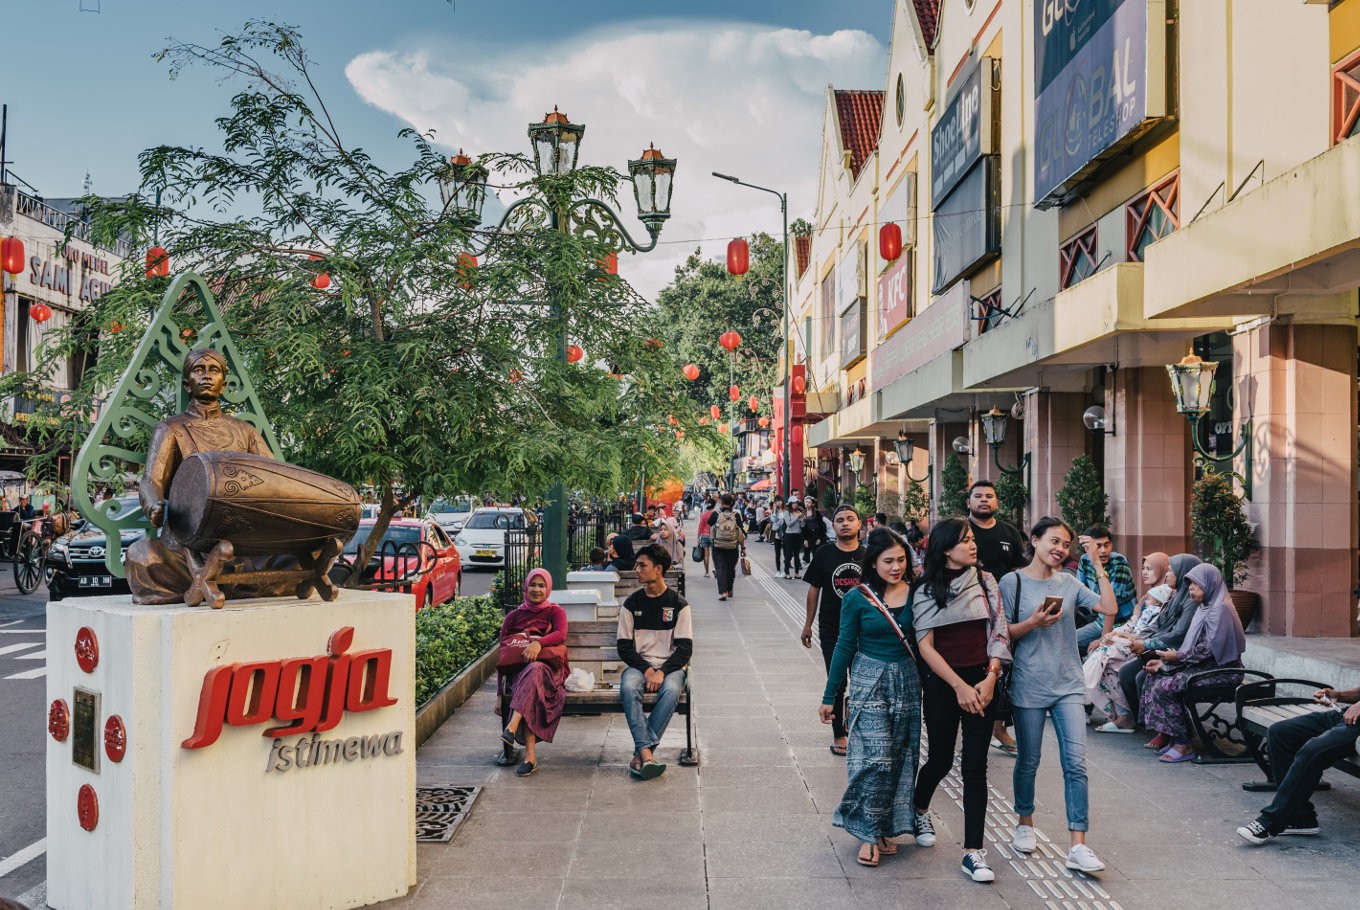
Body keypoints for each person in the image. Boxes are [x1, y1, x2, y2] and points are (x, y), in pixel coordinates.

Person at [1000, 516, 1118, 874]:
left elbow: (1109, 609)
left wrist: (1096, 563)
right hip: (1029, 684)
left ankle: (1078, 845)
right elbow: (1001, 633)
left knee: (1076, 764)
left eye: (1066, 545)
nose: (1059, 549)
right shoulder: (1011, 582)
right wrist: (1033, 623)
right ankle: (1024, 823)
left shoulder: (1069, 583)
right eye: (1053, 541)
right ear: (1034, 541)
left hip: (1068, 683)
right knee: (1029, 760)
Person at [909, 517, 1012, 883]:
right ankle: (919, 807)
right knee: (938, 759)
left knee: (975, 767)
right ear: (945, 548)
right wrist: (959, 687)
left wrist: (991, 676)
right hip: (943, 684)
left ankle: (973, 851)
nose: (973, 545)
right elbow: (925, 646)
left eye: (973, 539)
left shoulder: (986, 581)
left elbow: (999, 629)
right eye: (965, 540)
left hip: (983, 681)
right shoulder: (923, 588)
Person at [819, 528, 921, 868]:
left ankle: (880, 827)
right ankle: (866, 832)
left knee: (899, 758)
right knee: (875, 758)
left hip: (907, 680)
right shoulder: (857, 598)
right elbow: (844, 645)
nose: (895, 567)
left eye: (901, 560)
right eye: (888, 561)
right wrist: (830, 695)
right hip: (868, 679)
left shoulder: (918, 593)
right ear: (873, 563)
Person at [1138, 563, 1246, 762]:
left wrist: (1175, 658)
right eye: (1189, 584)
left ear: (1209, 584)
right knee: (1153, 678)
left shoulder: (1220, 609)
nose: (1191, 588)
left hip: (1224, 671)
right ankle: (1171, 734)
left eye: (1196, 584)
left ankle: (1183, 744)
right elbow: (1193, 648)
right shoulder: (1205, 607)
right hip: (1204, 667)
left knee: (1167, 686)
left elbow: (1208, 649)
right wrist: (1165, 663)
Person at [1236, 683, 1360, 845]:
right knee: (1279, 732)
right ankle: (1300, 818)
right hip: (1347, 717)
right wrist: (1340, 695)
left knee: (1313, 750)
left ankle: (1271, 821)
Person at [617, 544, 693, 780]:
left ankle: (641, 752)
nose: (636, 569)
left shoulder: (679, 604)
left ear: (658, 569)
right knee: (629, 687)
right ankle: (647, 754)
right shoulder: (631, 603)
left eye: (642, 565)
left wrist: (662, 672)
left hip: (670, 667)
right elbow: (624, 647)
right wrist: (648, 670)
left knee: (671, 690)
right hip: (639, 666)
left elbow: (685, 649)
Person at [966, 480, 1028, 756]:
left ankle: (998, 726)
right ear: (968, 502)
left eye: (989, 496)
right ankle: (974, 723)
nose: (983, 500)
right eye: (977, 496)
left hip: (1004, 610)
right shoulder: (960, 530)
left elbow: (1020, 570)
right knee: (974, 665)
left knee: (1002, 667)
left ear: (997, 502)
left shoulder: (1009, 533)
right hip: (967, 610)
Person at [800, 505, 865, 757]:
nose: (845, 523)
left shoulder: (869, 556)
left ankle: (859, 730)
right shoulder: (824, 553)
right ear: (833, 526)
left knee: (862, 683)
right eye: (840, 520)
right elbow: (814, 589)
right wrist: (807, 623)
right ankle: (840, 735)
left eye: (851, 519)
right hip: (831, 629)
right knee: (836, 682)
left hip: (863, 630)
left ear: (860, 524)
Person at [1085, 552, 1171, 732]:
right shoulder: (1147, 597)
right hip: (1137, 643)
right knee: (1104, 649)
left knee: (1106, 655)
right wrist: (1113, 633)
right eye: (1143, 569)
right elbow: (1133, 623)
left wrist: (1122, 637)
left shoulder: (1168, 597)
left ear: (1162, 569)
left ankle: (1085, 686)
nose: (1144, 573)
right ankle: (1122, 715)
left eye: (1150, 569)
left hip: (1150, 648)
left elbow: (1154, 630)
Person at [498, 568, 569, 777]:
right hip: (520, 674)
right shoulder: (513, 617)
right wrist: (497, 696)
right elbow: (502, 658)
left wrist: (538, 643)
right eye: (533, 584)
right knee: (530, 680)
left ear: (548, 589)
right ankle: (529, 757)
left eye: (541, 585)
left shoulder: (555, 612)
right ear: (526, 587)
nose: (536, 589)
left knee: (535, 669)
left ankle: (512, 726)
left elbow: (560, 633)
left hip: (550, 672)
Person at [1116, 553, 1202, 726]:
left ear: (1185, 573)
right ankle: (1145, 724)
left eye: (1172, 571)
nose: (1168, 575)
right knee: (1126, 673)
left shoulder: (1191, 601)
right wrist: (1137, 638)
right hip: (1162, 651)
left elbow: (1179, 634)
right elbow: (1158, 624)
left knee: (1142, 677)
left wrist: (1145, 643)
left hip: (1178, 654)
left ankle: (1163, 729)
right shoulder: (1176, 596)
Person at [1075, 526, 1137, 655]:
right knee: (1065, 642)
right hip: (1100, 621)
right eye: (1098, 546)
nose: (1103, 551)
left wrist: (1102, 639)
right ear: (1087, 548)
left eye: (1106, 545)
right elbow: (1079, 593)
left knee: (1095, 654)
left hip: (1122, 625)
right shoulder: (1085, 560)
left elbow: (1111, 606)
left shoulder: (1119, 562)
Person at [707, 493, 746, 601]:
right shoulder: (736, 515)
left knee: (720, 569)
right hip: (733, 546)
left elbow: (709, 525)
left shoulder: (716, 514)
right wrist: (743, 548)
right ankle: (729, 589)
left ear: (721, 502)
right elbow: (740, 533)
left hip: (718, 546)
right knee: (730, 569)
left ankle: (723, 592)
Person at [781, 501, 806, 579]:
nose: (795, 504)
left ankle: (797, 573)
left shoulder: (799, 512)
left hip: (798, 535)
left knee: (797, 555)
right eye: (793, 503)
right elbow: (789, 524)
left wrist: (802, 520)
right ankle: (787, 573)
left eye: (796, 503)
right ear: (790, 504)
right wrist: (797, 518)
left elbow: (802, 525)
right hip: (789, 535)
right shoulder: (787, 513)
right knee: (788, 554)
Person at [698, 499, 716, 578]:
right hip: (714, 536)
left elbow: (701, 526)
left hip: (705, 535)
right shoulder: (716, 514)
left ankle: (707, 572)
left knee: (706, 555)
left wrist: (698, 537)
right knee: (715, 555)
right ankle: (716, 570)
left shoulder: (704, 514)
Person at [770, 501, 788, 575]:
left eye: (780, 500)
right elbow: (773, 520)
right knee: (777, 554)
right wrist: (774, 510)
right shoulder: (774, 512)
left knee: (785, 553)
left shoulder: (786, 511)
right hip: (777, 534)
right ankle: (778, 571)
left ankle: (785, 571)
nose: (779, 503)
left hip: (785, 533)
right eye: (777, 501)